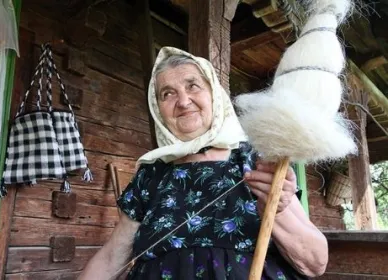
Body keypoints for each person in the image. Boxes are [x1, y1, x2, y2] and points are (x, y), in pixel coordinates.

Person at [78, 47, 328, 280]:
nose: (183, 101)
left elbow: (315, 262)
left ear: (215, 96)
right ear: (158, 109)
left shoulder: (256, 161)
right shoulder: (151, 175)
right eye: (168, 93)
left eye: (193, 86)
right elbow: (112, 257)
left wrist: (278, 209)